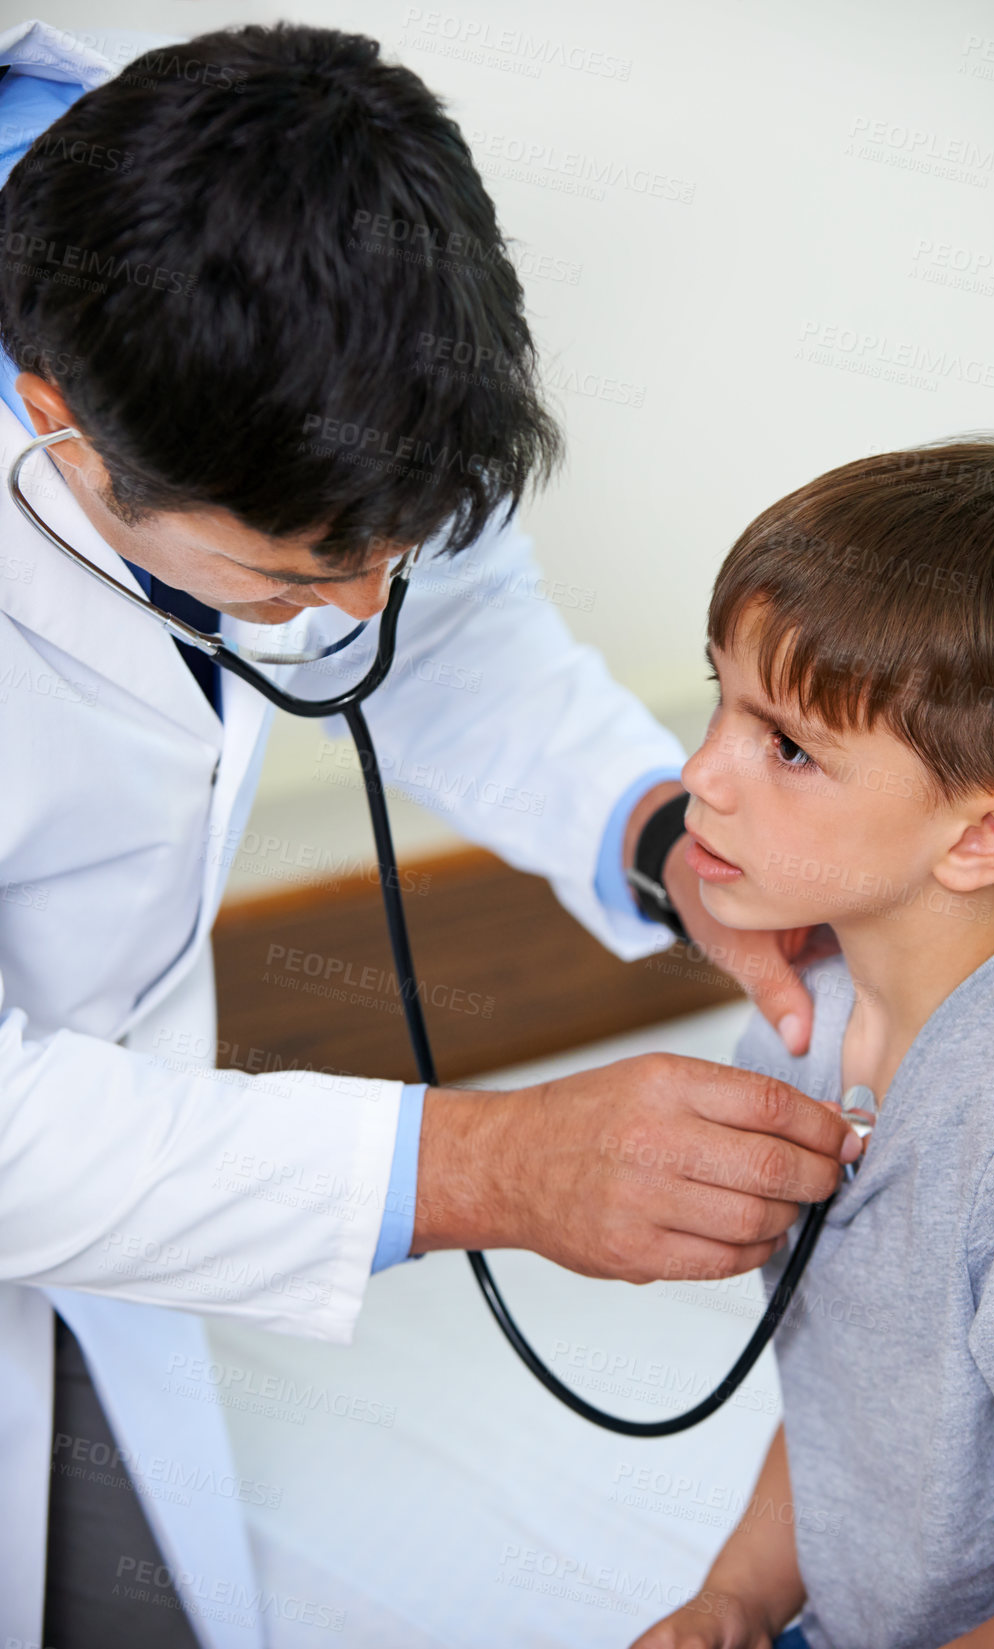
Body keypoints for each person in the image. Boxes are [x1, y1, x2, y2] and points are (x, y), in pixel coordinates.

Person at [0, 20, 864, 1646]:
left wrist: (663, 836)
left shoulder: (261, 279)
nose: (355, 612)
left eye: (391, 546)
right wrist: (484, 1160)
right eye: (289, 580)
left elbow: (445, 626)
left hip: (120, 1182)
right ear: (57, 424)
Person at [630, 436, 994, 1649]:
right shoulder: (801, 1020)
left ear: (982, 838)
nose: (698, 775)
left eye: (786, 746)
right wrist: (736, 1597)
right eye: (720, 700)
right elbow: (861, 1409)